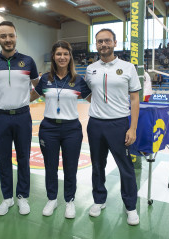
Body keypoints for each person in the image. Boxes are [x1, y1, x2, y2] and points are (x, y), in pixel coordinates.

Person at [84, 28, 141, 226]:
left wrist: (132, 128)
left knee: (125, 167)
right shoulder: (90, 69)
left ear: (115, 43)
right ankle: (99, 200)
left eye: (107, 41)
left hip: (119, 125)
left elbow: (135, 99)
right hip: (95, 125)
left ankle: (130, 206)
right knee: (97, 165)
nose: (103, 45)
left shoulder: (128, 67)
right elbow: (87, 93)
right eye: (99, 41)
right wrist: (99, 105)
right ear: (96, 45)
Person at [0, 21, 39, 216]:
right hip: (0, 118)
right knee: (3, 159)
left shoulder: (29, 61)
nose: (8, 39)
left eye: (11, 35)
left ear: (16, 37)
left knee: (23, 158)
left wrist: (24, 100)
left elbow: (38, 87)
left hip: (23, 117)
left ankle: (22, 196)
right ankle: (7, 198)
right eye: (3, 36)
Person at [30, 40, 91, 218]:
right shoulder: (45, 79)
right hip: (48, 128)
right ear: (53, 57)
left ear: (70, 57)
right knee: (50, 166)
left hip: (72, 129)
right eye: (59, 54)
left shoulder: (78, 80)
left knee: (70, 167)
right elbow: (29, 97)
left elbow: (93, 100)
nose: (62, 57)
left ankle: (70, 201)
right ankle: (52, 199)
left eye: (65, 53)